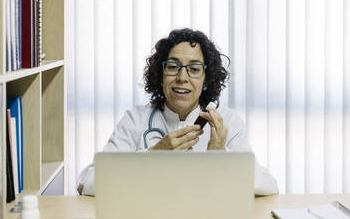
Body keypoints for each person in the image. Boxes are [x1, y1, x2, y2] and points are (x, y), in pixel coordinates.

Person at [77, 28, 278, 196]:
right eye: (173, 67)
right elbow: (87, 181)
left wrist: (222, 158)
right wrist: (152, 156)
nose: (182, 77)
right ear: (161, 74)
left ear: (206, 80)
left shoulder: (226, 123)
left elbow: (269, 186)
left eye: (194, 69)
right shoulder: (135, 120)